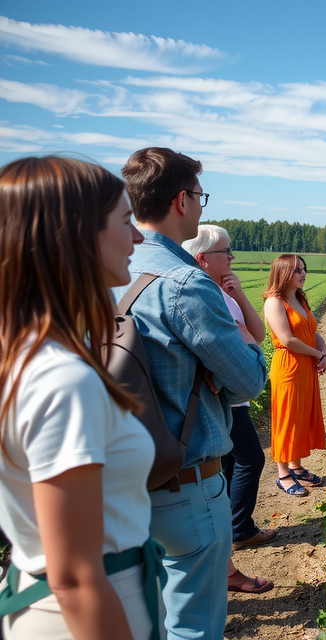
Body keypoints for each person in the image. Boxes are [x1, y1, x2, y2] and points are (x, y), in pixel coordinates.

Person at [0, 157, 161, 639]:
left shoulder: (25, 354)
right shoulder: (61, 380)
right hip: (88, 612)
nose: (137, 238)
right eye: (125, 221)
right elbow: (74, 575)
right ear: (74, 238)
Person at [114, 148, 268, 639]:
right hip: (184, 482)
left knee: (144, 619)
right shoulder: (184, 283)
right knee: (193, 626)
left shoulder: (109, 272)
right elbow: (247, 380)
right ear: (182, 200)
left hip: (116, 478)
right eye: (200, 196)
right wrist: (246, 347)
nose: (201, 205)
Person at [183, 224, 275, 595]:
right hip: (225, 397)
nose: (233, 258)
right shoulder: (201, 295)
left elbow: (257, 335)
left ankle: (236, 537)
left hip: (233, 394)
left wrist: (239, 295)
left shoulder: (224, 293)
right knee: (245, 461)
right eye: (226, 252)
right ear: (204, 258)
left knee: (231, 466)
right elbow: (241, 353)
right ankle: (239, 532)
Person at [262, 255, 326, 497]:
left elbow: (312, 329)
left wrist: (325, 351)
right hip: (289, 366)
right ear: (282, 273)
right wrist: (316, 354)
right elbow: (288, 340)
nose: (303, 273)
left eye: (304, 269)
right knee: (287, 418)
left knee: (301, 417)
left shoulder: (300, 298)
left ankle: (296, 466)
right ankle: (283, 474)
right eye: (297, 270)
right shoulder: (274, 302)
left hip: (305, 365)